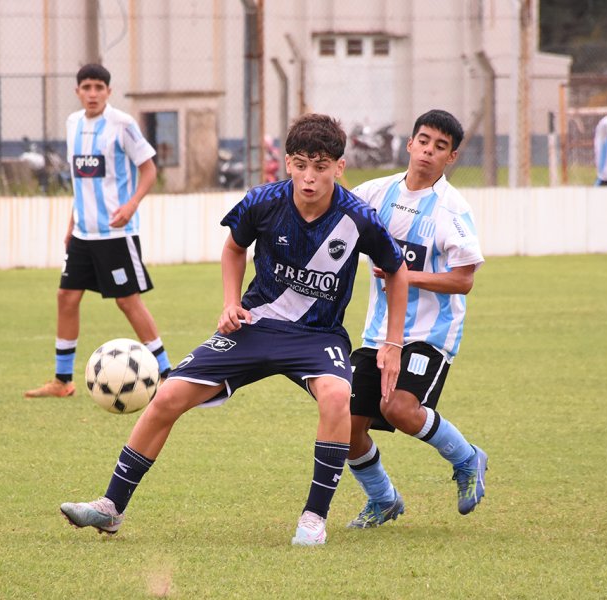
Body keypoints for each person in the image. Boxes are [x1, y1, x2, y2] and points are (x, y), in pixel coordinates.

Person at [59, 113, 409, 546]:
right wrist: (229, 302)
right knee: (167, 395)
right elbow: (233, 248)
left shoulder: (359, 217)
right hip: (255, 324)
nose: (309, 177)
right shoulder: (263, 202)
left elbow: (396, 271)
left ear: (340, 167)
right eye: (300, 164)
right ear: (287, 163)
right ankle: (110, 507)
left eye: (320, 167)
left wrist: (392, 342)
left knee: (338, 396)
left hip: (318, 336)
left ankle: (314, 519)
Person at [343, 109, 488, 529]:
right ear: (410, 144)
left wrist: (403, 273)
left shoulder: (451, 210)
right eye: (423, 140)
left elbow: (464, 280)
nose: (428, 150)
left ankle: (467, 458)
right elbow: (345, 209)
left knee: (401, 408)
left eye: (440, 146)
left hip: (430, 333)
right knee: (346, 427)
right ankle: (383, 499)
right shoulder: (378, 192)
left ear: (451, 157)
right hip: (378, 334)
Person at [25, 64, 172, 399]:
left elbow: (148, 169)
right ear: (77, 91)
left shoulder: (122, 125)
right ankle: (63, 381)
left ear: (108, 91)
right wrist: (71, 223)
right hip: (83, 234)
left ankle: (167, 374)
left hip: (115, 235)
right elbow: (81, 182)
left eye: (98, 87)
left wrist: (132, 204)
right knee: (66, 297)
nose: (92, 93)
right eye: (86, 87)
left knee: (127, 301)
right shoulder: (73, 123)